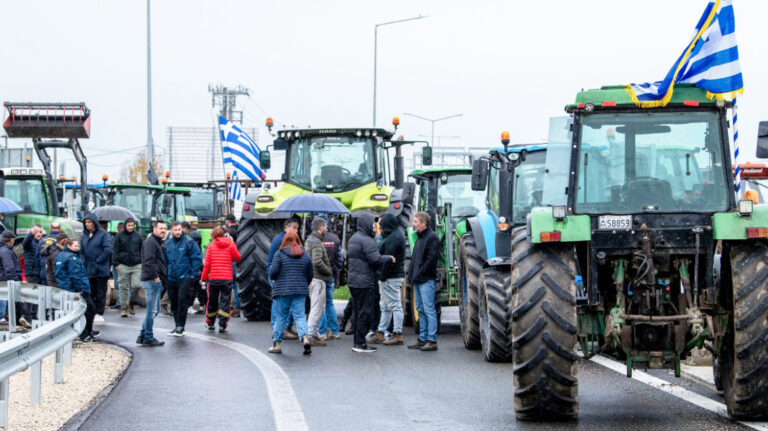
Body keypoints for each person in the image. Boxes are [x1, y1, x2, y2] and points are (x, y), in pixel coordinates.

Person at [347, 213, 394, 353]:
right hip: (364, 281)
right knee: (365, 312)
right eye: (373, 225)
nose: (375, 227)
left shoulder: (354, 238)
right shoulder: (367, 241)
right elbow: (375, 259)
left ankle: (357, 340)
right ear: (366, 224)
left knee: (357, 311)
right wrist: (388, 258)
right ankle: (361, 343)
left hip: (354, 281)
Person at [268, 231, 313, 355]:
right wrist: (303, 284)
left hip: (282, 291)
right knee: (300, 316)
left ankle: (276, 344)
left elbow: (273, 273)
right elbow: (310, 274)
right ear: (298, 240)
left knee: (281, 317)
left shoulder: (279, 254)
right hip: (300, 291)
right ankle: (305, 338)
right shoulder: (305, 254)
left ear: (284, 241)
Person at [368, 213, 406, 345]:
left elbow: (388, 261)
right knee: (385, 306)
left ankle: (397, 333)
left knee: (395, 305)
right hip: (393, 276)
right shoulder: (396, 236)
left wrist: (382, 276)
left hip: (390, 277)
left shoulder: (392, 239)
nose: (381, 229)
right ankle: (381, 332)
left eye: (382, 227)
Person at [407, 212, 440, 351]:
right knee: (420, 309)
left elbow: (430, 261)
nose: (413, 224)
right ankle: (423, 338)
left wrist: (419, 273)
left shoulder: (432, 238)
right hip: (418, 280)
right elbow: (415, 260)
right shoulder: (420, 238)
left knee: (429, 310)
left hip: (426, 280)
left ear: (423, 223)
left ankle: (431, 340)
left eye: (415, 222)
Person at [55, 238, 98, 342]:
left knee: (77, 311)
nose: (77, 247)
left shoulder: (60, 255)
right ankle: (85, 333)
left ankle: (85, 332)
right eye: (75, 246)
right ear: (68, 246)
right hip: (77, 289)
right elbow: (76, 275)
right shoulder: (72, 258)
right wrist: (80, 289)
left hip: (66, 288)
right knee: (90, 310)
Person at [165, 221, 203, 336]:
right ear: (171, 231)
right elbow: (165, 260)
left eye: (179, 230)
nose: (177, 232)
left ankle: (181, 326)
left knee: (182, 302)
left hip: (185, 277)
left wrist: (192, 275)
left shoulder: (189, 242)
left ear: (182, 230)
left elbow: (197, 259)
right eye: (175, 230)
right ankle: (177, 325)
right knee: (174, 303)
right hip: (172, 278)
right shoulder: (168, 244)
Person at [201, 227, 241, 333]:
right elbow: (237, 257)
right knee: (225, 302)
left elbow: (207, 264)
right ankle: (223, 325)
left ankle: (210, 324)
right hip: (227, 279)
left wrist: (204, 278)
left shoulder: (211, 246)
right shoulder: (230, 245)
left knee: (212, 302)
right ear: (225, 235)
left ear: (214, 235)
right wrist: (232, 243)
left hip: (214, 279)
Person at [267, 218, 300, 339]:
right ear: (286, 227)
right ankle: (281, 329)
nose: (296, 230)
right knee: (280, 303)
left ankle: (280, 329)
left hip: (277, 273)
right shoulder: (283, 239)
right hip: (278, 274)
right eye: (294, 228)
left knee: (279, 302)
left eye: (297, 228)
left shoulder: (281, 237)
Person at [137, 220, 168, 347]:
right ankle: (148, 337)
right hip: (152, 280)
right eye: (160, 228)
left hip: (155, 279)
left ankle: (142, 335)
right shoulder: (151, 242)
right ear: (154, 229)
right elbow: (149, 261)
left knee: (155, 310)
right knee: (152, 310)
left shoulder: (157, 242)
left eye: (165, 228)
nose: (163, 230)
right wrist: (156, 276)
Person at [304, 217, 333, 346]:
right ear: (320, 228)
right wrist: (328, 271)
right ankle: (311, 335)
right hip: (318, 279)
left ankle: (313, 334)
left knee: (314, 307)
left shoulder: (310, 240)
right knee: (317, 308)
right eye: (325, 227)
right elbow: (316, 261)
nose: (326, 229)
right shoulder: (316, 242)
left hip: (312, 279)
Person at [80, 214, 113, 323]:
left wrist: (98, 260)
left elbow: (108, 250)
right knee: (91, 292)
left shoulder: (104, 235)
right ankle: (91, 312)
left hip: (100, 269)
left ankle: (99, 312)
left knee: (100, 292)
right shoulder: (84, 236)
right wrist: (83, 262)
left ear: (94, 223)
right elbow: (82, 252)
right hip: (89, 268)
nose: (87, 224)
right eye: (86, 222)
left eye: (89, 222)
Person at [318, 214, 342, 340]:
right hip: (330, 274)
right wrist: (335, 269)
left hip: (318, 276)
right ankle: (334, 331)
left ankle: (321, 332)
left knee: (320, 304)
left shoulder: (314, 239)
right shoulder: (335, 238)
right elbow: (340, 258)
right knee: (329, 303)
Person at [112, 218, 143, 317]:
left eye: (132, 225)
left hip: (137, 264)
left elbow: (142, 249)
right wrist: (116, 263)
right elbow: (115, 250)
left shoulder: (138, 236)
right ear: (125, 225)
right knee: (123, 287)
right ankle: (124, 308)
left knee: (136, 285)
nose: (130, 227)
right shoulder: (119, 236)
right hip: (123, 265)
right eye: (128, 225)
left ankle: (131, 302)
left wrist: (142, 262)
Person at [20, 224, 44, 327]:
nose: (39, 234)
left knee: (37, 296)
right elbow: (25, 242)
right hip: (32, 273)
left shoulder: (41, 244)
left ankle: (34, 316)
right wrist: (31, 233)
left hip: (39, 273)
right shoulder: (29, 243)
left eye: (41, 232)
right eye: (37, 232)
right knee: (30, 295)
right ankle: (26, 316)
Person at [0, 231, 21, 323]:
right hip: (5, 280)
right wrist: (15, 280)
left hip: (5, 279)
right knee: (4, 298)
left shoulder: (5, 250)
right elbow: (9, 268)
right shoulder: (5, 251)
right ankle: (2, 318)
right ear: (11, 240)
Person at [224, 214, 241, 317]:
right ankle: (237, 306)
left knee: (230, 284)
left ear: (227, 221)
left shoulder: (229, 233)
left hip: (231, 260)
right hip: (239, 259)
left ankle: (234, 307)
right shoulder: (241, 230)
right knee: (236, 285)